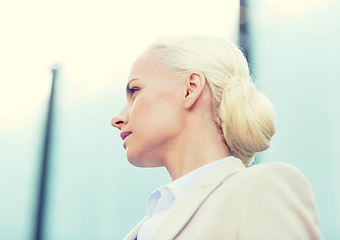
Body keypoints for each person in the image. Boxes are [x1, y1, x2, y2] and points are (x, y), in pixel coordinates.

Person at [111, 35, 322, 240]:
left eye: (135, 91)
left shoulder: (260, 190)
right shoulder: (155, 217)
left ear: (190, 89)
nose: (117, 119)